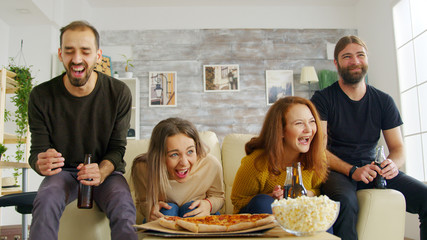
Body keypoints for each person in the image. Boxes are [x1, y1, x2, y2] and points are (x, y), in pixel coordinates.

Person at [27, 20, 137, 240]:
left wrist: (101, 171)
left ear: (98, 55)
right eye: (69, 51)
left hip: (106, 173)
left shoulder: (119, 93)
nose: (76, 59)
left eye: (85, 52)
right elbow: (36, 153)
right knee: (46, 198)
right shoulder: (40, 96)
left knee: (123, 205)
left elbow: (117, 149)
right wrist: (42, 162)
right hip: (63, 173)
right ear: (60, 54)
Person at [311, 35, 427, 240]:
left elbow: (398, 148)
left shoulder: (383, 101)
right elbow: (319, 149)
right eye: (347, 57)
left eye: (360, 55)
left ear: (366, 60)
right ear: (337, 64)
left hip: (372, 169)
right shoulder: (322, 99)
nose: (355, 61)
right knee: (346, 202)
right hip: (337, 171)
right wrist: (352, 170)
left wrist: (393, 163)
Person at [231, 96, 328, 214]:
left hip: (298, 218)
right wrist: (271, 197)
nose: (309, 129)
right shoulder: (256, 163)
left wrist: (305, 194)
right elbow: (237, 201)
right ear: (281, 130)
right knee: (262, 202)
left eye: (312, 121)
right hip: (263, 220)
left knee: (321, 209)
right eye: (299, 123)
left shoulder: (317, 156)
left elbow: (318, 190)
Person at [131, 117, 225, 222]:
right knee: (167, 211)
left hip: (196, 213)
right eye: (174, 154)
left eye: (190, 151)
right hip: (164, 215)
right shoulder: (143, 168)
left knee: (192, 209)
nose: (184, 163)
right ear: (159, 156)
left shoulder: (210, 164)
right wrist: (151, 209)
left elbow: (218, 196)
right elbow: (142, 202)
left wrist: (209, 205)